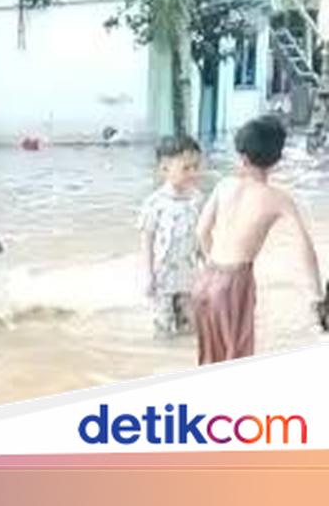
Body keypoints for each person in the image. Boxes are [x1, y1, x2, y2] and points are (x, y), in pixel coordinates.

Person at [193, 114, 325, 364]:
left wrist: (214, 268)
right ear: (278, 159)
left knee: (208, 358)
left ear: (242, 157)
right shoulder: (278, 199)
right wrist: (317, 297)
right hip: (234, 284)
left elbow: (201, 231)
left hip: (206, 279)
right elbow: (304, 249)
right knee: (236, 359)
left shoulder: (224, 185)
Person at [138, 135, 203, 338]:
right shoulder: (154, 203)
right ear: (164, 169)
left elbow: (202, 236)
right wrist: (148, 275)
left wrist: (208, 268)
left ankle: (184, 354)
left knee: (190, 325)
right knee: (163, 327)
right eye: (186, 168)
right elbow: (147, 241)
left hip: (189, 275)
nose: (193, 173)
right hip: (163, 277)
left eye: (195, 167)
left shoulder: (197, 200)